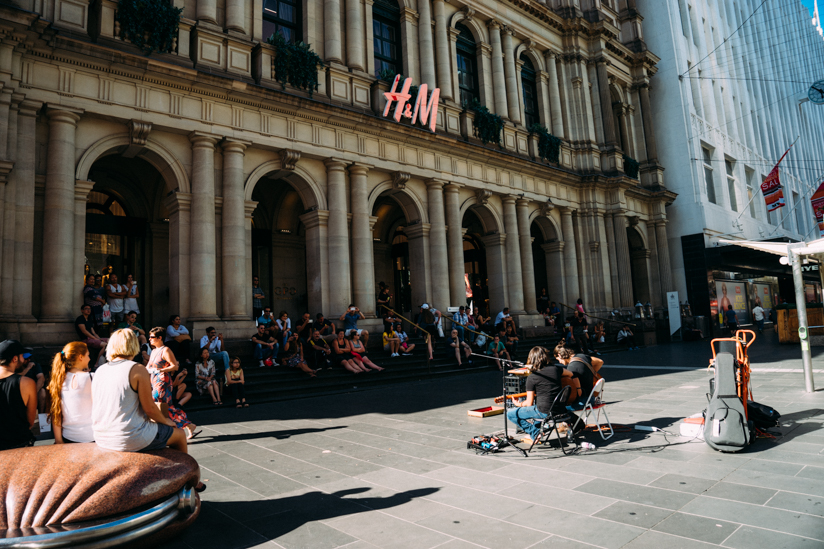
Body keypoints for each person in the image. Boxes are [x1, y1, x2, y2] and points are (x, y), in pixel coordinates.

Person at [92, 330, 205, 493]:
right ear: (133, 345)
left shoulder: (100, 370)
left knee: (160, 433)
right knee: (179, 434)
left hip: (101, 435)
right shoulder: (136, 369)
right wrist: (166, 421)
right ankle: (185, 480)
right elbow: (150, 409)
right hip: (128, 435)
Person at [506, 346, 580, 444]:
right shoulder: (556, 369)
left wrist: (518, 404)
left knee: (510, 414)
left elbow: (529, 403)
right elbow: (570, 374)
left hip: (544, 412)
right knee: (539, 408)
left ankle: (534, 432)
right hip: (560, 409)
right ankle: (538, 430)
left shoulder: (532, 378)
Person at [146, 327, 199, 439]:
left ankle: (167, 430)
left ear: (159, 338)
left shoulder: (165, 350)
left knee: (162, 405)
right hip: (154, 381)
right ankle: (188, 425)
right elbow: (149, 366)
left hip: (163, 381)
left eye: (152, 337)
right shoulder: (154, 350)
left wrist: (160, 370)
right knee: (164, 406)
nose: (149, 339)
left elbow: (174, 366)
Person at [47, 341, 93, 444]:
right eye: (88, 355)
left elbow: (56, 413)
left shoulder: (58, 380)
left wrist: (58, 440)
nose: (89, 358)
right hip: (92, 437)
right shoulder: (91, 378)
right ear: (80, 357)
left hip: (67, 438)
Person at [0, 340, 37, 450]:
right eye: (22, 356)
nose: (24, 359)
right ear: (15, 359)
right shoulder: (27, 383)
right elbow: (30, 421)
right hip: (20, 444)